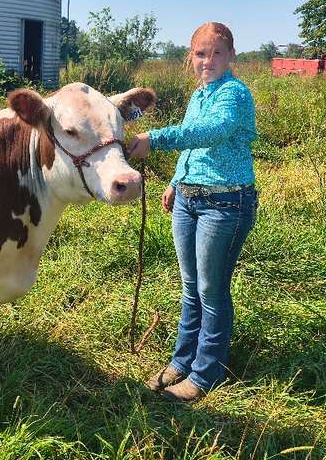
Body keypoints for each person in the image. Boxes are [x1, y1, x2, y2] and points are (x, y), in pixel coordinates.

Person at [127, 22, 258, 402]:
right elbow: (192, 141)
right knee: (190, 288)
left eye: (217, 52)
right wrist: (175, 181)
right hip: (188, 199)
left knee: (210, 290)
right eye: (201, 53)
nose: (208, 60)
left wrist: (153, 138)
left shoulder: (233, 94)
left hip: (226, 203)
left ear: (232, 55)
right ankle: (183, 360)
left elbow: (209, 133)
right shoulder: (199, 94)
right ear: (191, 57)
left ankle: (206, 373)